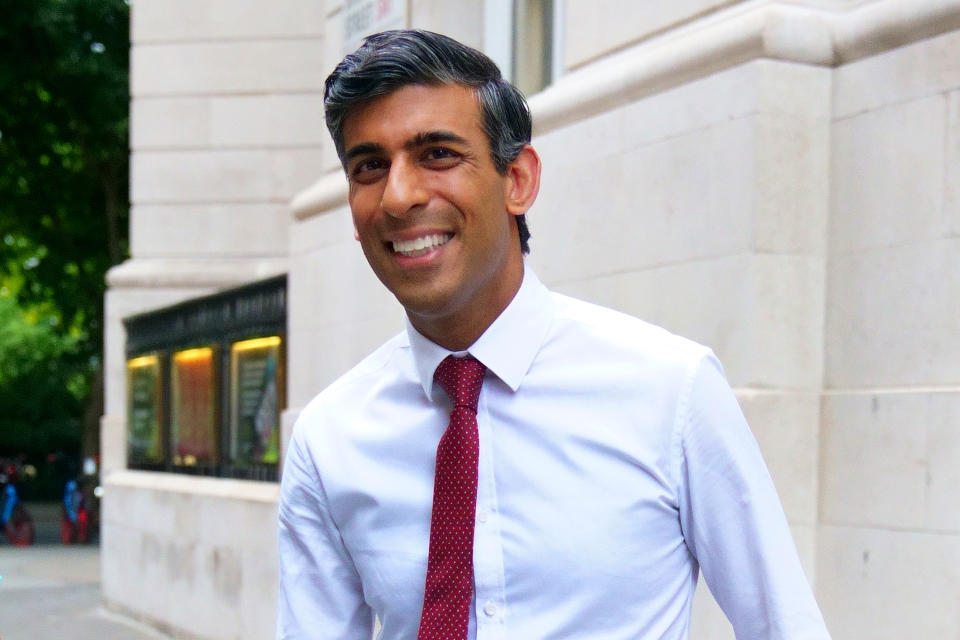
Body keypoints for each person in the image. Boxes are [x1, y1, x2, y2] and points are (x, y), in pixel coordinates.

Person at [277, 29, 831, 640]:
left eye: (437, 154)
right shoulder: (329, 440)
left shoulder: (670, 391)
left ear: (517, 180)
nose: (400, 195)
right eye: (369, 167)